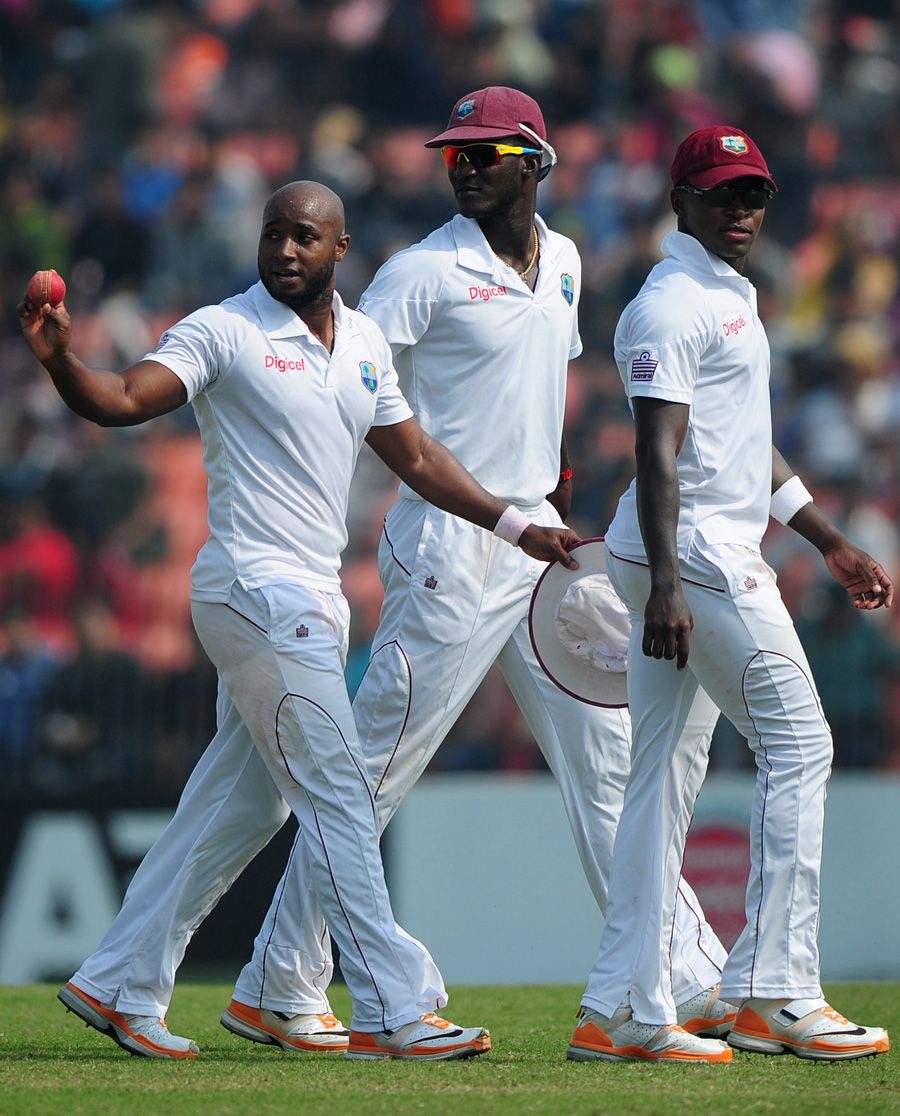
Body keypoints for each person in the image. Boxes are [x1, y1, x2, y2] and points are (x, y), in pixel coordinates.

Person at [218, 88, 732, 1058]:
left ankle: (674, 980)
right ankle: (281, 983)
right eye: (454, 152)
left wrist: (557, 501)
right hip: (451, 544)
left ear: (535, 161)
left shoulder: (566, 261)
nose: (463, 165)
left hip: (539, 541)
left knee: (610, 764)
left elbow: (546, 391)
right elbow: (344, 379)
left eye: (485, 151)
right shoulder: (421, 272)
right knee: (373, 775)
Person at [18, 179, 581, 1062]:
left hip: (312, 599)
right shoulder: (224, 330)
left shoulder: (363, 343)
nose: (284, 250)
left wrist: (515, 525)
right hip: (256, 591)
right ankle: (392, 1006)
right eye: (273, 234)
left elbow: (418, 458)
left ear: (339, 249)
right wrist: (60, 363)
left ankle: (119, 981)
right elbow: (122, 397)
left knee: (244, 805)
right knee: (341, 795)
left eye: (304, 237)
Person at [568, 125, 893, 1064]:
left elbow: (743, 444)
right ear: (682, 201)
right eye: (722, 194)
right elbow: (656, 451)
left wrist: (827, 539)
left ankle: (621, 1007)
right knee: (801, 743)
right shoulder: (672, 304)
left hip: (681, 552)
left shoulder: (726, 294)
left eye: (754, 194)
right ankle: (774, 992)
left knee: (662, 777)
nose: (742, 210)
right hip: (694, 557)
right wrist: (668, 587)